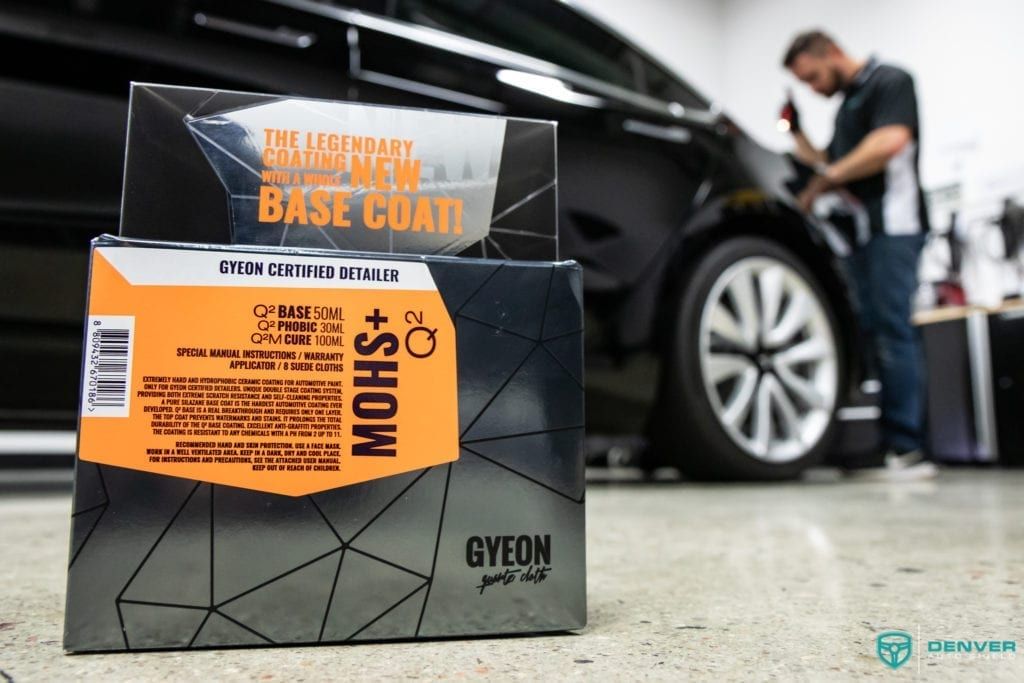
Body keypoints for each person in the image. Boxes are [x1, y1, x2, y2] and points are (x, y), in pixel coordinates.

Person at [781, 30, 936, 480]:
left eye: (813, 77)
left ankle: (908, 447)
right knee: (870, 332)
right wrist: (798, 133)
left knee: (892, 329)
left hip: (897, 226)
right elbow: (829, 161)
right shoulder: (847, 107)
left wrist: (824, 181)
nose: (813, 88)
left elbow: (888, 145)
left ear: (829, 53)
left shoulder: (890, 82)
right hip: (862, 235)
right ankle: (889, 441)